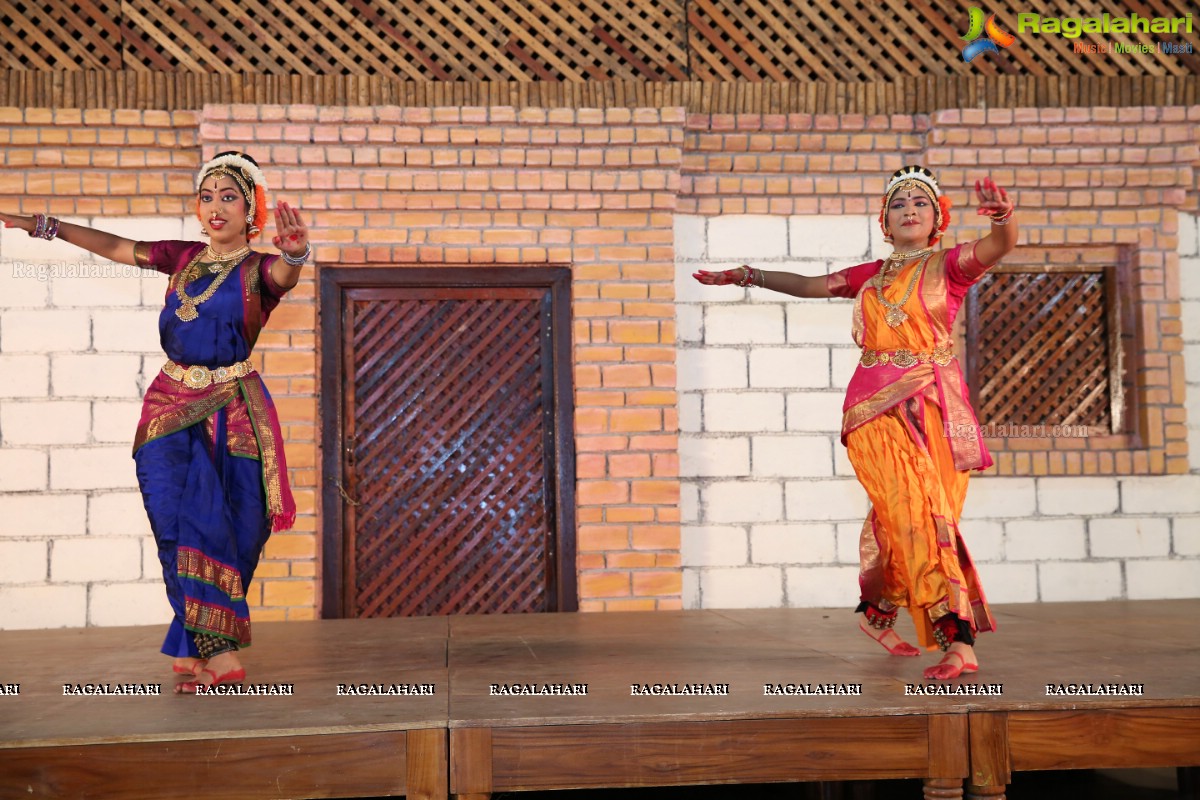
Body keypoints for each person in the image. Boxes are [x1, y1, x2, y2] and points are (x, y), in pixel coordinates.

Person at [1, 151, 311, 692]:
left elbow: (284, 274)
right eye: (206, 196)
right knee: (172, 521)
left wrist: (298, 253)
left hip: (233, 408)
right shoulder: (184, 257)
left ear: (250, 209)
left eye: (228, 197)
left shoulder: (258, 269)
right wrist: (43, 225)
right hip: (168, 406)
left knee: (235, 527)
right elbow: (116, 247)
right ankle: (209, 646)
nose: (215, 207)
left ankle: (206, 650)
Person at [693, 166, 1017, 680]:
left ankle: (878, 611)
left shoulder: (950, 266)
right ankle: (957, 637)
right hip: (874, 409)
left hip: (938, 409)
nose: (909, 209)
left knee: (921, 518)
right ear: (885, 222)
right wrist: (748, 275)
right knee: (918, 514)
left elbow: (999, 246)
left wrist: (1003, 219)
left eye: (920, 202)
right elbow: (807, 285)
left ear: (937, 218)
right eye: (898, 204)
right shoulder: (872, 275)